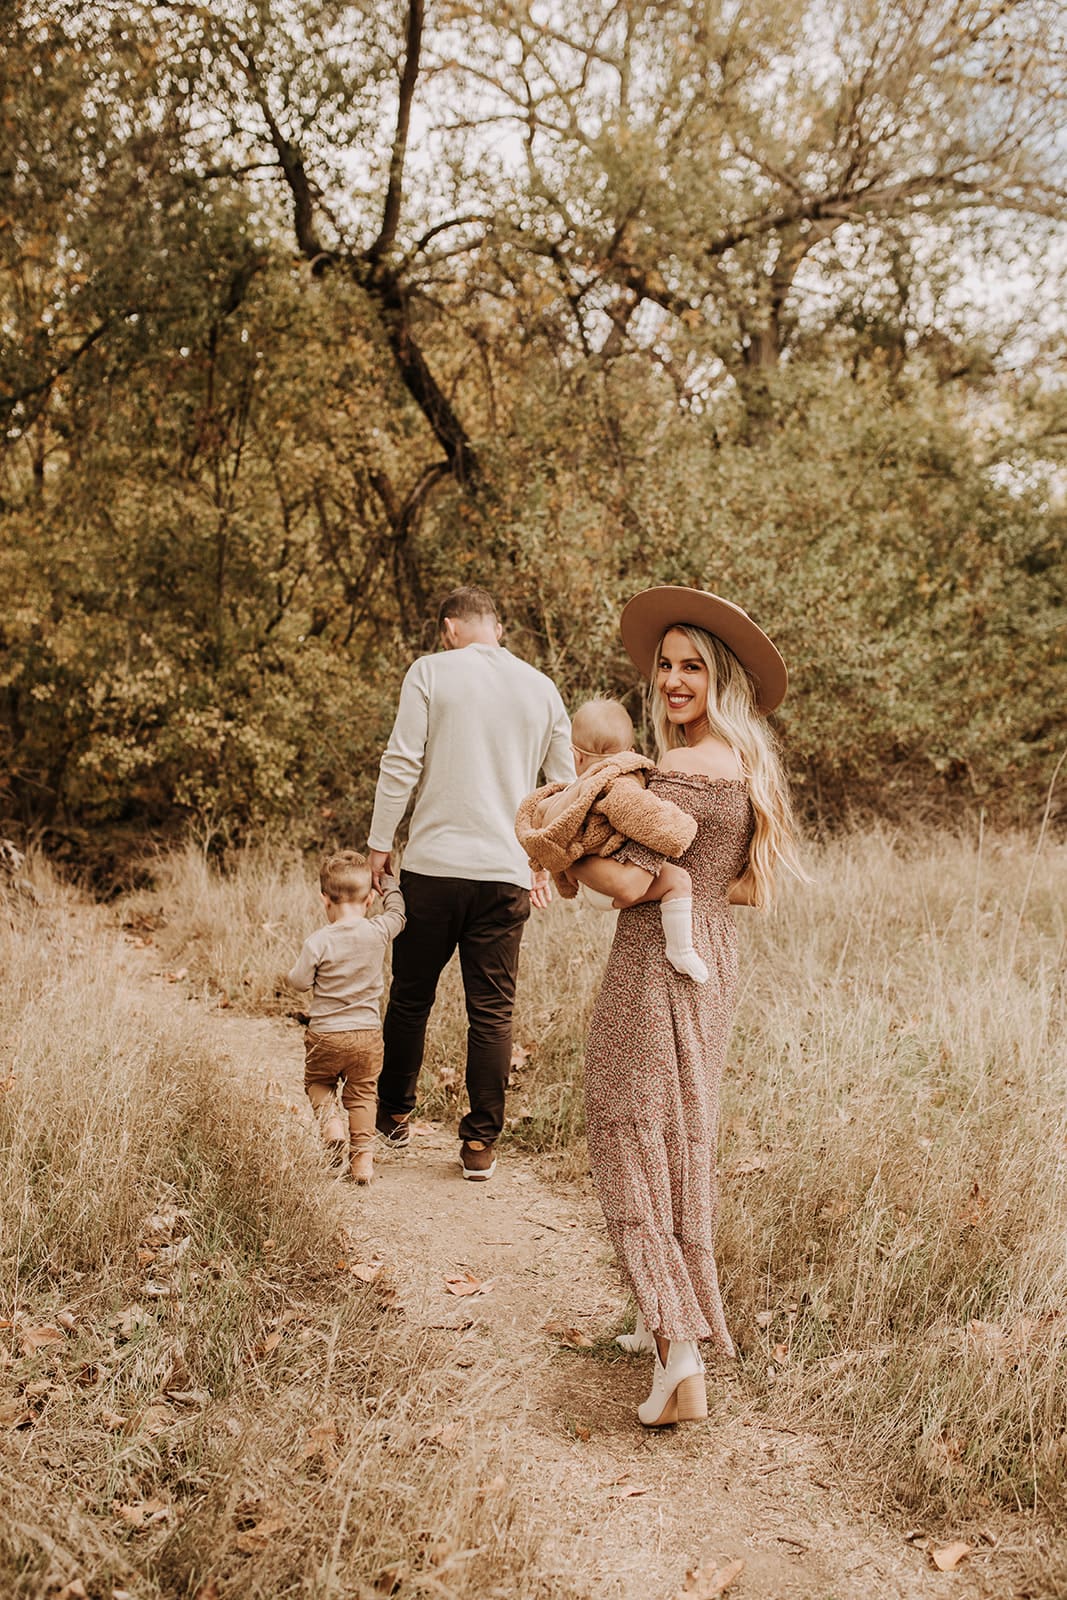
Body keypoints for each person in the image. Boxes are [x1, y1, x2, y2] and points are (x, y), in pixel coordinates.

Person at [580, 586, 804, 1427]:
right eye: (666, 665)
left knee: (627, 1129)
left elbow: (631, 883)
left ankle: (679, 1355)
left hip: (652, 965)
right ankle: (659, 1315)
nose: (673, 680)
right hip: (711, 954)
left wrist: (560, 853)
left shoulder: (679, 771)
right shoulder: (740, 766)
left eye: (692, 668)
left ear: (721, 680)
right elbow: (727, 885)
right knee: (678, 1135)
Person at [367, 585, 574, 1182]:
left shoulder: (430, 671)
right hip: (505, 874)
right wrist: (545, 862)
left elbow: (402, 760)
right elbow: (563, 789)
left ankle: (392, 1115)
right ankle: (480, 1143)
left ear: (450, 627)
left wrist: (381, 841)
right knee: (493, 1011)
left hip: (433, 865)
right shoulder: (541, 687)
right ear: (498, 629)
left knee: (410, 996)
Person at [515, 697, 709, 981]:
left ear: (576, 756)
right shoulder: (617, 785)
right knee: (679, 881)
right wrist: (681, 826)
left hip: (593, 880)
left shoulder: (571, 792)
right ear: (629, 752)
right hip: (612, 877)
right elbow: (648, 820)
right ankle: (681, 949)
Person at [286, 850, 406, 1185]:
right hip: (366, 1034)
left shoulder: (318, 941)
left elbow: (298, 982)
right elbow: (399, 914)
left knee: (318, 1083)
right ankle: (362, 1162)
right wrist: (390, 883)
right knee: (363, 1094)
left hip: (325, 1033)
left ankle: (331, 1125)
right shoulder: (379, 930)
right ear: (370, 899)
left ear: (324, 899)